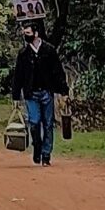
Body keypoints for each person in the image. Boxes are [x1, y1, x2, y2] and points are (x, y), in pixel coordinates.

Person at [10, 19, 68, 166]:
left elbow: (58, 72)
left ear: (36, 33)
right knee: (34, 122)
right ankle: (37, 146)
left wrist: (63, 91)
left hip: (47, 92)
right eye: (25, 33)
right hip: (31, 94)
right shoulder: (24, 53)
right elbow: (18, 75)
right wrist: (16, 95)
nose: (26, 36)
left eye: (28, 33)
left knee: (48, 124)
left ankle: (46, 155)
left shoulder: (49, 50)